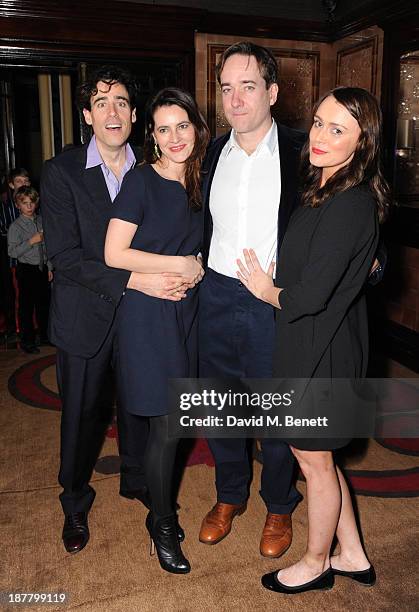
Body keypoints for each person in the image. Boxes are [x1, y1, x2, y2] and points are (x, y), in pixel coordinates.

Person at [236, 86, 390, 594]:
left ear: (361, 143)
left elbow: (311, 297)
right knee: (318, 459)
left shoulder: (349, 203)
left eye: (337, 129)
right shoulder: (324, 187)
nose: (320, 136)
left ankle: (315, 562)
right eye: (319, 122)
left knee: (313, 461)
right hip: (312, 342)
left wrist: (267, 288)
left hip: (321, 349)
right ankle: (352, 554)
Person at [41, 66, 185, 555]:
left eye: (121, 101)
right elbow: (64, 258)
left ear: (133, 112)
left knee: (139, 405)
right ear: (87, 115)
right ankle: (75, 500)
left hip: (140, 317)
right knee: (82, 415)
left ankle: (138, 478)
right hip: (84, 316)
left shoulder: (152, 166)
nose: (112, 111)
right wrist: (137, 278)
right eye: (101, 103)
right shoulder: (61, 172)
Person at [198, 41, 304, 557]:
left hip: (269, 299)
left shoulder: (303, 151)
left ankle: (280, 504)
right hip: (215, 294)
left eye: (248, 86)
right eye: (226, 88)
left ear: (273, 92)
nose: (235, 99)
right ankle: (229, 496)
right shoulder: (212, 151)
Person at [105, 87, 209, 574]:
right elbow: (114, 253)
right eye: (163, 128)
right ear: (152, 135)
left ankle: (160, 506)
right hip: (147, 320)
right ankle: (162, 522)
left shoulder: (200, 181)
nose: (174, 137)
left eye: (182, 126)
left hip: (185, 315)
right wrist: (179, 263)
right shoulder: (140, 182)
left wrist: (199, 267)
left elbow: (200, 249)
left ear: (196, 129)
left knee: (177, 423)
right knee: (166, 427)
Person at [7, 186, 52, 353]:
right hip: (26, 270)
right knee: (26, 307)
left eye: (32, 202)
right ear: (18, 205)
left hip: (41, 267)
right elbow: (12, 251)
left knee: (44, 304)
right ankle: (27, 341)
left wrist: (49, 266)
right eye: (25, 203)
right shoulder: (15, 227)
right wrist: (31, 241)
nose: (29, 206)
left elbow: (47, 247)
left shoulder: (41, 221)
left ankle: (45, 335)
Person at [0, 168, 30, 341]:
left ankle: (34, 327)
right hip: (14, 258)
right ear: (12, 185)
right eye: (19, 181)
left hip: (34, 257)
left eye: (26, 181)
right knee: (16, 293)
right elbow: (4, 231)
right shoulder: (6, 207)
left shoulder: (34, 203)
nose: (23, 184)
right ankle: (17, 328)